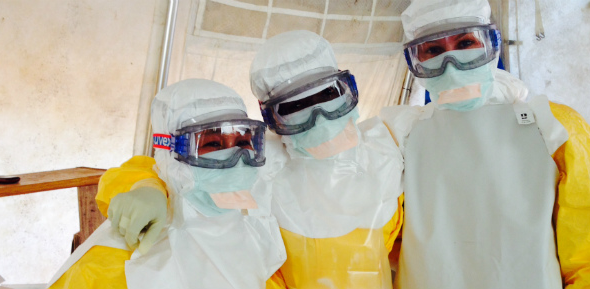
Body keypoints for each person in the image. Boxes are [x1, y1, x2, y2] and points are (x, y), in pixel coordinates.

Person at [98, 30, 404, 289]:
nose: (320, 120)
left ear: (348, 89)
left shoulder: (387, 147)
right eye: (296, 106)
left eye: (327, 95)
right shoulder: (263, 164)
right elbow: (160, 168)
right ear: (270, 118)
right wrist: (145, 186)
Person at [378, 0, 590, 288]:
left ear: (492, 46)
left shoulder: (554, 128)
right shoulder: (397, 138)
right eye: (434, 51)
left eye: (465, 43)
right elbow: (370, 241)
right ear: (416, 62)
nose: (451, 64)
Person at [45, 79, 286, 289]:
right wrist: (147, 187)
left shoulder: (258, 238)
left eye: (244, 143)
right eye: (212, 145)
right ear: (169, 153)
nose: (235, 159)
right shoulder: (118, 260)